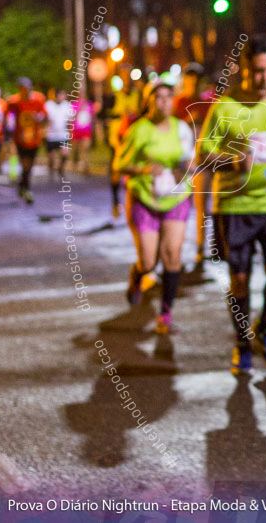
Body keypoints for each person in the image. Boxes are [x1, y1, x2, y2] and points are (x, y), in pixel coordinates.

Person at [197, 35, 266, 375]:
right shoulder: (225, 106)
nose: (265, 78)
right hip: (235, 207)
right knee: (240, 280)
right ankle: (242, 342)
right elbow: (203, 154)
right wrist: (231, 162)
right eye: (258, 71)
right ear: (244, 68)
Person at [113, 81, 195, 333]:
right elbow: (119, 165)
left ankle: (166, 315)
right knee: (149, 262)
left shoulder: (182, 128)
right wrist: (144, 169)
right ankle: (137, 276)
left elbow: (190, 159)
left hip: (176, 197)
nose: (164, 102)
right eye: (158, 97)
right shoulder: (139, 130)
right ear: (148, 101)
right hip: (145, 199)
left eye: (168, 97)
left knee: (172, 255)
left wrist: (189, 167)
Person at [174, 63, 216, 268]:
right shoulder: (179, 101)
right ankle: (175, 249)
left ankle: (201, 248)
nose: (193, 84)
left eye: (196, 80)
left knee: (202, 205)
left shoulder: (209, 102)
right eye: (189, 80)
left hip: (202, 160)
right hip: (182, 160)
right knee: (179, 205)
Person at [5, 77, 47, 204]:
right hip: (20, 139)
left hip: (34, 139)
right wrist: (9, 127)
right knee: (25, 163)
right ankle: (26, 189)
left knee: (29, 165)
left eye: (27, 88)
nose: (25, 91)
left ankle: (22, 185)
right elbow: (8, 116)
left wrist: (39, 118)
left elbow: (44, 115)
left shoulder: (38, 99)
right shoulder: (14, 101)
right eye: (22, 89)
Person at [108, 68, 141, 217]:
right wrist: (120, 115)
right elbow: (103, 113)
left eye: (128, 76)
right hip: (117, 139)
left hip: (133, 138)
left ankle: (133, 202)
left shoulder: (137, 95)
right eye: (124, 76)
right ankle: (115, 202)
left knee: (133, 170)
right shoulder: (114, 96)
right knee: (116, 171)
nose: (126, 79)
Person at [44, 88, 74, 181]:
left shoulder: (67, 105)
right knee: (51, 156)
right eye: (61, 95)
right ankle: (51, 171)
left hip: (63, 135)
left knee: (65, 153)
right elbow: (45, 118)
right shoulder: (49, 105)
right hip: (52, 135)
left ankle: (61, 169)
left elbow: (70, 119)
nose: (63, 97)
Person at [68, 87, 96, 174]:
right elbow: (71, 118)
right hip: (76, 129)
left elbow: (92, 118)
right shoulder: (74, 105)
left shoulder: (90, 105)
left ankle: (85, 165)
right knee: (75, 148)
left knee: (85, 148)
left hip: (86, 130)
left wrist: (93, 128)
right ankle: (74, 163)